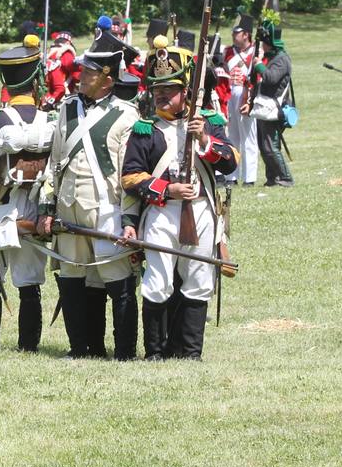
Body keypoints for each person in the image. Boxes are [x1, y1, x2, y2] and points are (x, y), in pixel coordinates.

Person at [121, 37, 237, 360]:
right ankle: (155, 353)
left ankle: (190, 353)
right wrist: (166, 190)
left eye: (169, 88)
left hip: (200, 211)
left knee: (199, 280)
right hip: (162, 213)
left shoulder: (209, 124)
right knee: (157, 283)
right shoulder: (146, 130)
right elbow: (130, 177)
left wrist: (203, 139)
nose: (160, 94)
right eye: (157, 88)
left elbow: (231, 161)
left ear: (186, 90)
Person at [35, 27, 140, 360]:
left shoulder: (126, 115)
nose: (82, 77)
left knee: (117, 282)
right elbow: (54, 163)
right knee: (72, 279)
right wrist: (47, 209)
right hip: (68, 209)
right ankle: (82, 347)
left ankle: (123, 352)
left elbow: (129, 173)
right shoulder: (67, 109)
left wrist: (128, 218)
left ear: (108, 78)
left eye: (90, 73)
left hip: (106, 208)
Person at [0, 34, 53, 351]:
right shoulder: (51, 119)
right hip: (31, 211)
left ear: (5, 78)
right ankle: (28, 346)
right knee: (30, 283)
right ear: (36, 79)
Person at [243, 19, 294, 187]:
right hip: (265, 106)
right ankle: (272, 178)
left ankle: (285, 178)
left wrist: (258, 65)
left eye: (264, 43)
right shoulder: (273, 57)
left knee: (270, 146)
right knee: (264, 146)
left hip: (274, 107)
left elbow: (271, 78)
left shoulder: (282, 59)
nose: (262, 46)